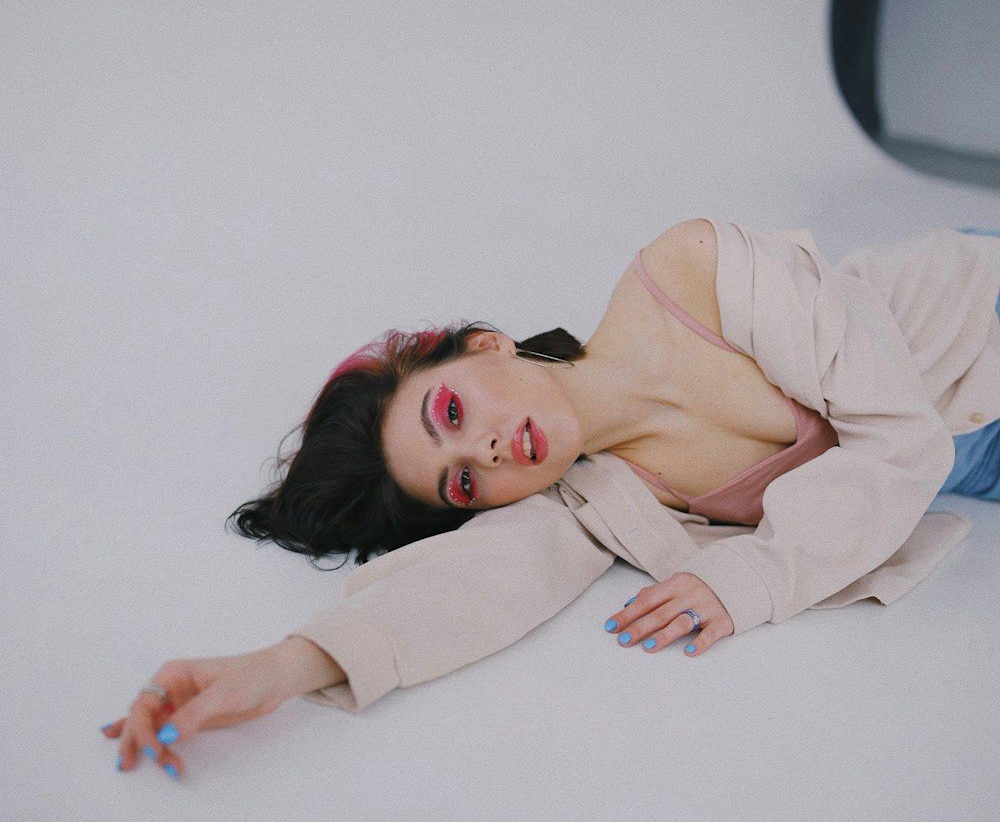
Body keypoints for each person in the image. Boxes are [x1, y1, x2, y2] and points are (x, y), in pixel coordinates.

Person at [102, 218, 1000, 779]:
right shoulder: (600, 496)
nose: (486, 450)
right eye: (462, 480)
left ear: (487, 345)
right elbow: (471, 587)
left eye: (450, 410)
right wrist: (279, 667)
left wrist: (755, 579)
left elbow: (905, 437)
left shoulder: (689, 269)